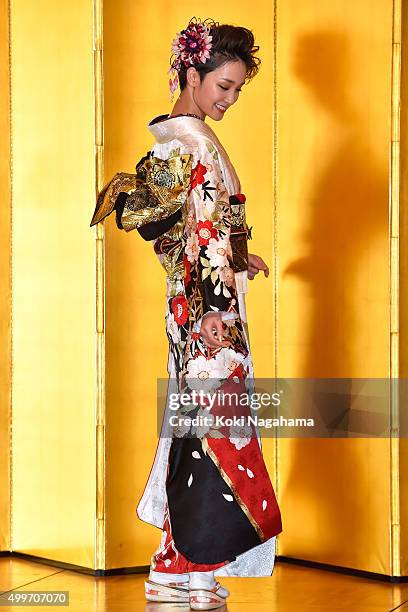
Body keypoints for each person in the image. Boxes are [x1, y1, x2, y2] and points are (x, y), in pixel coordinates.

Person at [90, 15, 282, 611]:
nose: (228, 100)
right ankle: (194, 568)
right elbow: (199, 228)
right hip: (207, 313)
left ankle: (176, 566)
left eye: (237, 90)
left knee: (199, 425)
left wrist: (238, 259)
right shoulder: (190, 142)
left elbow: (203, 228)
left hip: (199, 303)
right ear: (191, 74)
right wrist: (213, 307)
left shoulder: (180, 140)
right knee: (212, 429)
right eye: (222, 86)